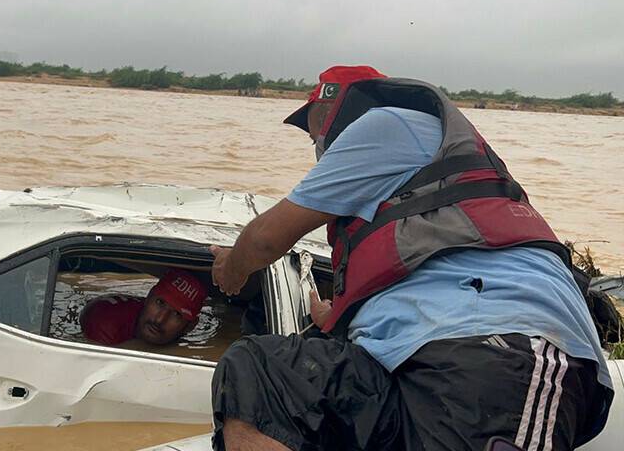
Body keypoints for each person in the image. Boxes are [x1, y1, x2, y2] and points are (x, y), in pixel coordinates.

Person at [209, 66, 613, 451]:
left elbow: (265, 239)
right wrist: (342, 320)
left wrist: (232, 268)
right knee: (258, 373)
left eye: (318, 126)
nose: (318, 146)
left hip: (493, 349)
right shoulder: (395, 175)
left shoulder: (390, 123)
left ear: (341, 108)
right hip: (409, 364)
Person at [80, 268, 208, 346]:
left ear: (191, 326)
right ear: (148, 297)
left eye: (177, 314)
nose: (160, 320)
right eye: (160, 302)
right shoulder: (106, 324)